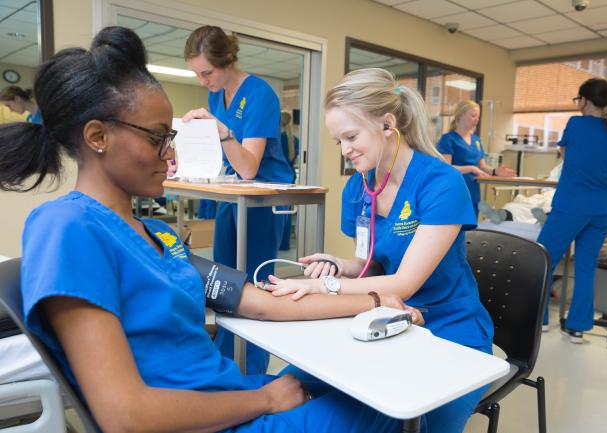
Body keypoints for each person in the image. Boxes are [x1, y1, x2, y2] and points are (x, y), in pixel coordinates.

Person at [0, 26, 431, 433]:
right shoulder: (67, 227)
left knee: (351, 372)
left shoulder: (157, 235)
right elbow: (124, 416)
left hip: (228, 395)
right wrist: (264, 399)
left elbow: (262, 305)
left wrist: (376, 300)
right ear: (97, 136)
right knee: (395, 403)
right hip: (210, 416)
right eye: (157, 138)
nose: (172, 155)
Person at [265, 68, 494, 433]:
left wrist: (324, 287)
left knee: (408, 418)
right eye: (338, 140)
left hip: (449, 325)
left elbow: (403, 283)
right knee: (289, 386)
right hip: (387, 315)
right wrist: (339, 265)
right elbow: (368, 264)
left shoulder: (441, 184)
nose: (345, 150)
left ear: (388, 124)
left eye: (351, 136)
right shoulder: (358, 188)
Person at [182, 25, 295, 374]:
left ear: (227, 60)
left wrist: (223, 132)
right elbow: (226, 160)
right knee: (222, 281)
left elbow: (249, 166)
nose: (202, 81)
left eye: (207, 72)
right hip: (233, 198)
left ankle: (254, 368)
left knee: (255, 284)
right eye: (197, 74)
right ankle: (227, 361)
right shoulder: (217, 96)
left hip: (262, 199)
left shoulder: (260, 94)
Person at [537, 78, 607, 343]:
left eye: (577, 100)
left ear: (585, 100)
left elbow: (567, 155)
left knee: (543, 259)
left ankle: (541, 320)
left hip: (570, 206)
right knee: (586, 267)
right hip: (601, 210)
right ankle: (578, 327)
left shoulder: (576, 124)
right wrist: (605, 170)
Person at [436, 100, 515, 215]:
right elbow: (447, 168)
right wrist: (471, 168)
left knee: (471, 229)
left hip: (473, 193)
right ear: (461, 115)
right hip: (455, 190)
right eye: (473, 116)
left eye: (478, 117)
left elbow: (482, 166)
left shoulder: (477, 141)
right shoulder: (448, 139)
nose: (477, 120)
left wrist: (495, 171)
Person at [280, 110, 300, 250]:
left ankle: (277, 243)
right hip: (290, 176)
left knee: (277, 213)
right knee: (285, 211)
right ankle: (284, 243)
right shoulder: (294, 140)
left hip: (278, 177)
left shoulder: (277, 140)